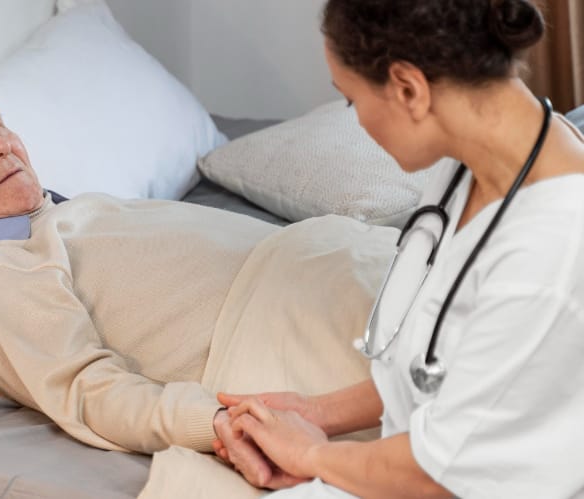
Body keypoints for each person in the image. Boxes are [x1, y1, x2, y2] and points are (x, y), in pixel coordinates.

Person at [0, 83, 388, 455]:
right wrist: (214, 423)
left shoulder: (61, 214)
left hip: (336, 262)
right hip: (294, 324)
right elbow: (86, 390)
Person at [212, 0, 584, 498]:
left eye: (351, 100)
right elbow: (440, 364)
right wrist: (314, 413)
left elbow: (437, 478)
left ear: (408, 88)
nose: (356, 120)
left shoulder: (549, 254)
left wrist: (309, 454)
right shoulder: (469, 164)